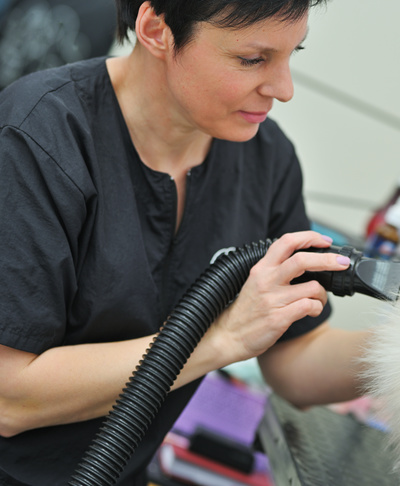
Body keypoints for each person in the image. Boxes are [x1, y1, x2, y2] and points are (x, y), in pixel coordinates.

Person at [0, 1, 372, 484]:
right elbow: (10, 396)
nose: (284, 90)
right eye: (253, 60)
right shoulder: (38, 138)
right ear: (156, 29)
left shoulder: (267, 160)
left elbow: (294, 363)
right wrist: (220, 340)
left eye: (290, 55)